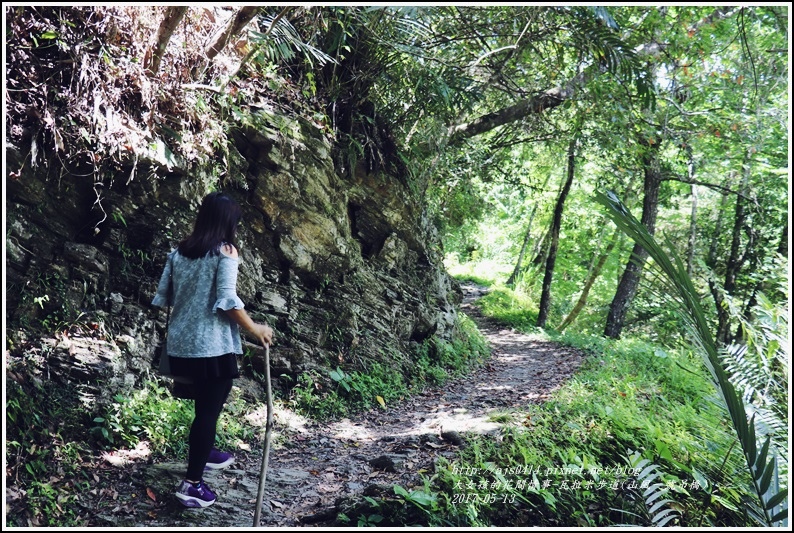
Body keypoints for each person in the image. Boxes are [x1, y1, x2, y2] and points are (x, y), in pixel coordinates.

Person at [152, 191, 273, 508]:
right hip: (211, 346)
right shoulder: (226, 252)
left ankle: (204, 454)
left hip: (181, 344)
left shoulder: (180, 251)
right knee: (208, 411)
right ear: (227, 223)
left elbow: (165, 294)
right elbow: (227, 300)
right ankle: (192, 485)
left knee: (205, 409)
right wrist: (255, 328)